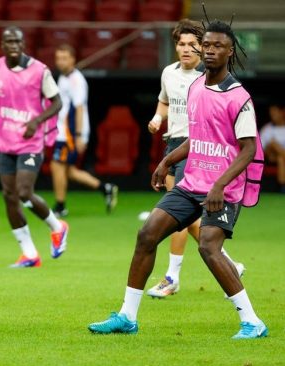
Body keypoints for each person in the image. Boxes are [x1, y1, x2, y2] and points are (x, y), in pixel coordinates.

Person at [89, 19, 268, 339]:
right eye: (207, 45)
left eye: (218, 46)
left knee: (209, 248)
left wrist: (220, 185)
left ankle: (252, 321)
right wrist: (168, 160)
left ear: (230, 51)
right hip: (191, 183)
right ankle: (127, 316)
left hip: (222, 188)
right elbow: (196, 135)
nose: (210, 50)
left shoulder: (239, 98)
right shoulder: (196, 85)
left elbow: (248, 149)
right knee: (147, 234)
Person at [145, 19, 244, 298]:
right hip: (172, 145)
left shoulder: (207, 78)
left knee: (176, 214)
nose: (186, 49)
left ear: (202, 48)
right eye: (181, 44)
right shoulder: (169, 73)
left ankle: (171, 277)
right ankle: (229, 263)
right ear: (175, 46)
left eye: (192, 44)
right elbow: (165, 102)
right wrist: (156, 118)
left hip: (196, 149)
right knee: (182, 216)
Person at [0, 26, 67, 268]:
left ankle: (57, 226)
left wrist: (36, 121)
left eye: (17, 41)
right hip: (6, 143)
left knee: (23, 191)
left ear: (23, 45)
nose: (13, 45)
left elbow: (57, 102)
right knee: (9, 197)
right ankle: (29, 254)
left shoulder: (39, 70)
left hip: (31, 142)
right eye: (8, 41)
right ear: (2, 45)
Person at [50, 44, 118, 218]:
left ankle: (60, 206)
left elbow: (79, 108)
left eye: (64, 58)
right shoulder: (64, 78)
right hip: (63, 131)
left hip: (70, 133)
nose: (60, 62)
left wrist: (79, 135)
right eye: (58, 58)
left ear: (73, 59)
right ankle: (106, 189)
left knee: (56, 165)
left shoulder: (76, 80)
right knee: (69, 172)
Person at [260, 102, 285, 192]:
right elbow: (260, 151)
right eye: (271, 113)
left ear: (282, 112)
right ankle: (283, 188)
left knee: (280, 158)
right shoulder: (267, 129)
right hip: (271, 158)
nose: (272, 115)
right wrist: (272, 147)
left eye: (275, 112)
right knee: (274, 149)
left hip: (280, 158)